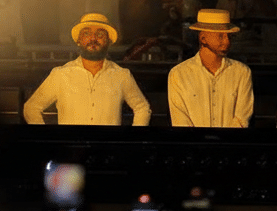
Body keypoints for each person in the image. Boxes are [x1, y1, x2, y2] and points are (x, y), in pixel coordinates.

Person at [23, 13, 151, 126]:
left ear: (108, 41)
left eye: (100, 34)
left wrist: (131, 142)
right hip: (71, 150)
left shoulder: (122, 75)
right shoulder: (60, 74)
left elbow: (142, 108)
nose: (93, 38)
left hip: (107, 150)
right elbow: (31, 108)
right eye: (87, 33)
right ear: (79, 40)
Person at [168, 9, 254, 128]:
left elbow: (242, 118)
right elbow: (180, 121)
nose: (227, 41)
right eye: (220, 36)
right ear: (203, 38)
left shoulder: (242, 72)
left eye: (229, 36)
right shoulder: (178, 74)